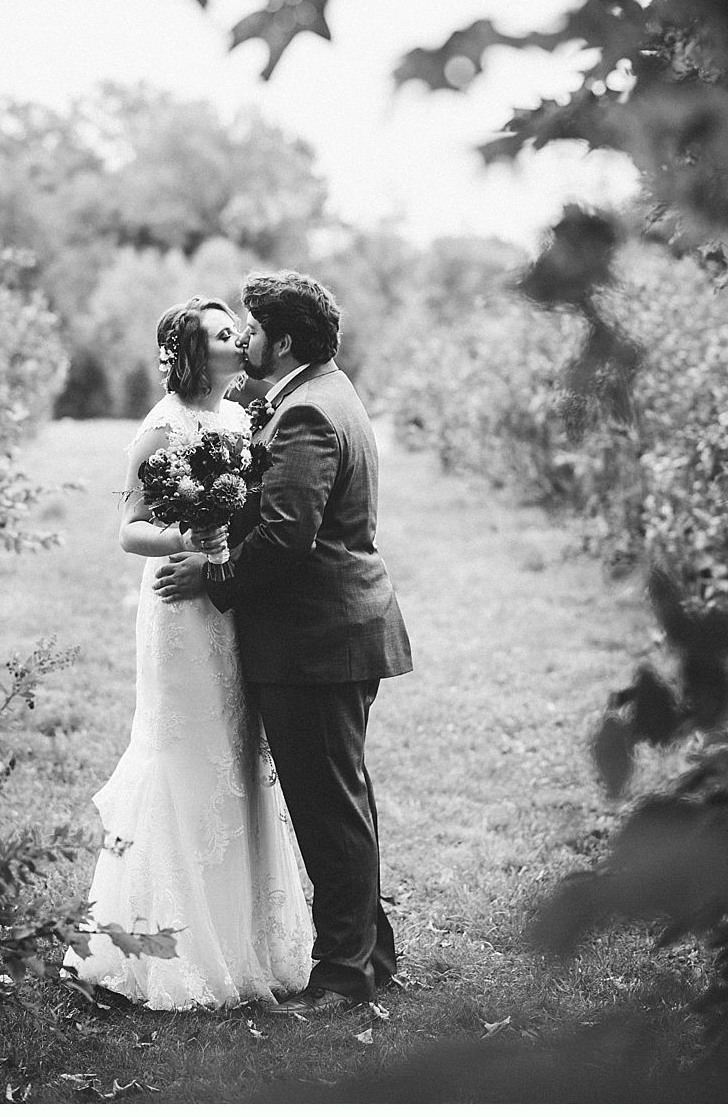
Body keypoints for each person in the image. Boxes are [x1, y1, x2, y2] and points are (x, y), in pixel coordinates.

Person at [155, 272, 413, 1014]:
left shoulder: (305, 413)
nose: (246, 340)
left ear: (286, 339)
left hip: (316, 641)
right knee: (342, 802)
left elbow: (284, 537)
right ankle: (371, 958)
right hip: (333, 636)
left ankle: (341, 977)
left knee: (328, 812)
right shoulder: (327, 390)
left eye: (255, 329)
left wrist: (213, 575)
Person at [63, 296, 313, 1010]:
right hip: (179, 605)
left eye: (238, 330)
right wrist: (187, 540)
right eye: (223, 333)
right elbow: (130, 531)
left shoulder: (238, 417)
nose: (239, 340)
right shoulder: (162, 427)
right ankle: (156, 947)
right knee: (183, 750)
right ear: (192, 351)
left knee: (238, 750)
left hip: (229, 600)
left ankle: (242, 940)